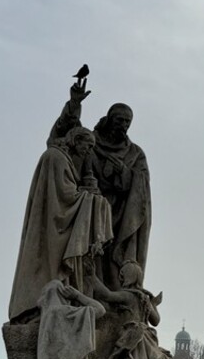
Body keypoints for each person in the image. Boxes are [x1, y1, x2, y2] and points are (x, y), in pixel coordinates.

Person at [49, 80, 151, 289]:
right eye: (119, 120)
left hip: (121, 216)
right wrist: (74, 104)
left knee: (113, 260)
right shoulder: (90, 141)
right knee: (87, 258)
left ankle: (113, 297)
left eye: (127, 122)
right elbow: (63, 139)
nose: (123, 125)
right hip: (88, 211)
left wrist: (123, 172)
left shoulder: (135, 153)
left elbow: (142, 187)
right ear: (110, 119)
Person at [9, 126, 113, 321]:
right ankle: (39, 305)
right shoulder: (56, 157)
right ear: (75, 140)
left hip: (54, 224)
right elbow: (65, 197)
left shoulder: (61, 159)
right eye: (87, 145)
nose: (88, 151)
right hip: (53, 226)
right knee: (50, 268)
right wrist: (92, 198)